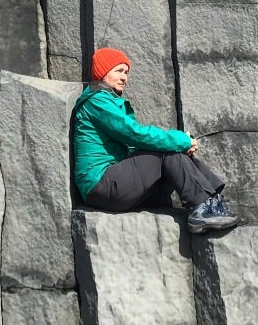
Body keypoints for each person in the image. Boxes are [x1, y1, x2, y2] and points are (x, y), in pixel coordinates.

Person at [72, 47, 239, 234]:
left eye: (126, 73)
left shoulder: (108, 101)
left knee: (172, 149)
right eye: (118, 71)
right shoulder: (97, 102)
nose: (124, 77)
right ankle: (203, 209)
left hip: (112, 183)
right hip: (100, 185)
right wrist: (181, 139)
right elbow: (135, 134)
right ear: (102, 73)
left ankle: (213, 204)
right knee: (165, 150)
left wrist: (181, 146)